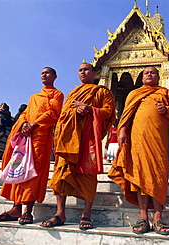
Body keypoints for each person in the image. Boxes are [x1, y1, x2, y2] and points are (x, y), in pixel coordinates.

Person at [108, 66, 169, 235]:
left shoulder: (165, 93)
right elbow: (126, 115)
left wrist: (167, 110)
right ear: (141, 78)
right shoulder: (134, 94)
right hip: (138, 141)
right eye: (146, 73)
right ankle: (143, 217)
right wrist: (122, 131)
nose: (149, 75)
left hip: (159, 142)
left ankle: (158, 217)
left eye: (153, 73)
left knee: (158, 177)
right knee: (140, 178)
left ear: (158, 76)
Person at [0, 67, 64, 225]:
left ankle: (27, 211)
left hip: (40, 138)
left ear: (55, 76)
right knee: (19, 168)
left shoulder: (57, 94)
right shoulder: (34, 97)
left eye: (47, 73)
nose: (44, 75)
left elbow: (53, 113)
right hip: (26, 137)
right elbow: (25, 113)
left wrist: (34, 124)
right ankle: (16, 208)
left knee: (32, 172)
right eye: (42, 73)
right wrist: (23, 124)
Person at [43, 63, 115, 229]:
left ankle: (86, 214)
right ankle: (60, 213)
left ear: (95, 73)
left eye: (86, 70)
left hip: (88, 139)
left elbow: (108, 113)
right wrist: (75, 112)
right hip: (68, 139)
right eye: (80, 70)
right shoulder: (73, 93)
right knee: (61, 173)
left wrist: (89, 109)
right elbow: (63, 115)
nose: (83, 72)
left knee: (88, 174)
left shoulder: (102, 92)